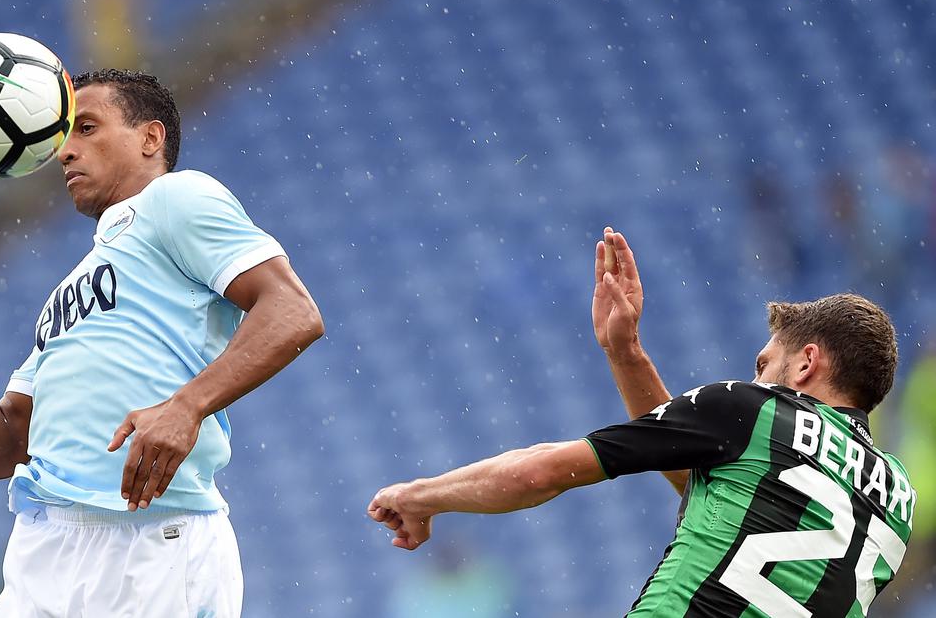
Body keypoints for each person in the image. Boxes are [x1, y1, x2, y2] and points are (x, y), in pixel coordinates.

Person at [0, 69, 324, 617]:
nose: (65, 152)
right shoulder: (66, 296)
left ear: (150, 138)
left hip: (151, 541)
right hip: (43, 545)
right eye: (64, 136)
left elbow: (292, 310)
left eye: (86, 128)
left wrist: (187, 406)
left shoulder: (176, 198)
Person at [368, 227, 914, 616]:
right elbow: (719, 499)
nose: (758, 375)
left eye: (764, 364)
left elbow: (541, 474)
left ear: (807, 362)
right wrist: (626, 354)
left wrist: (424, 494)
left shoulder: (755, 409)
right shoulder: (897, 499)